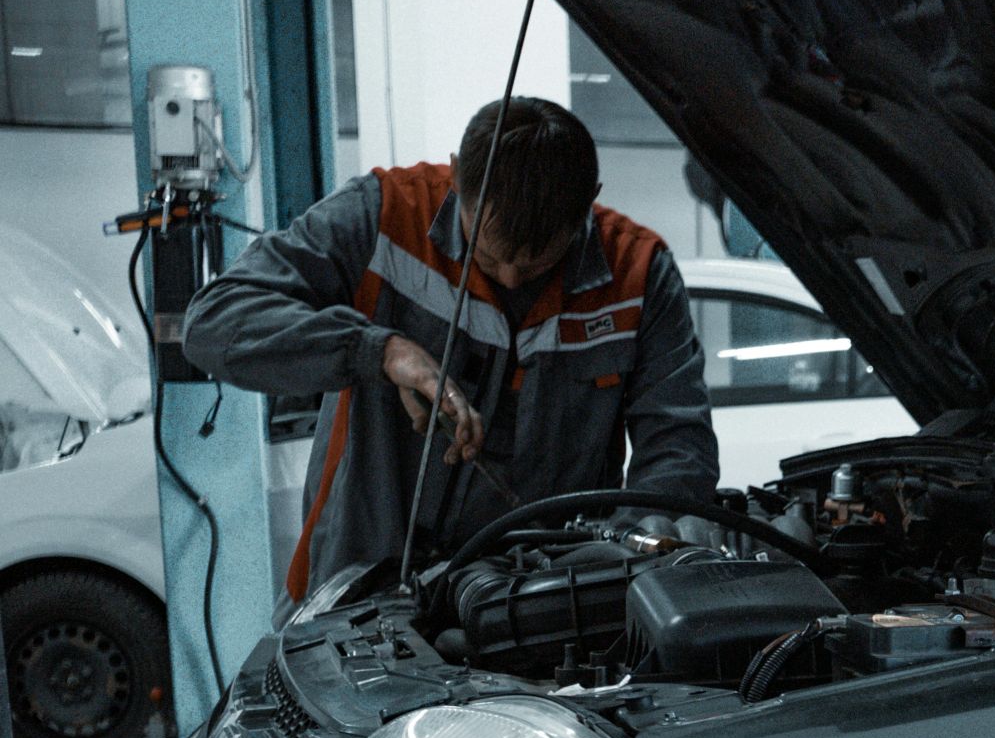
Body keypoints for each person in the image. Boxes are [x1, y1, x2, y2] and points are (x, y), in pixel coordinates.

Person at [183, 97, 719, 621]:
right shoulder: (385, 217)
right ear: (459, 175)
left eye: (538, 263)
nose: (510, 278)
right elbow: (215, 320)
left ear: (590, 201)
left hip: (547, 610)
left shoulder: (638, 274)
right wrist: (378, 350)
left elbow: (676, 443)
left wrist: (641, 540)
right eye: (490, 254)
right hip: (354, 602)